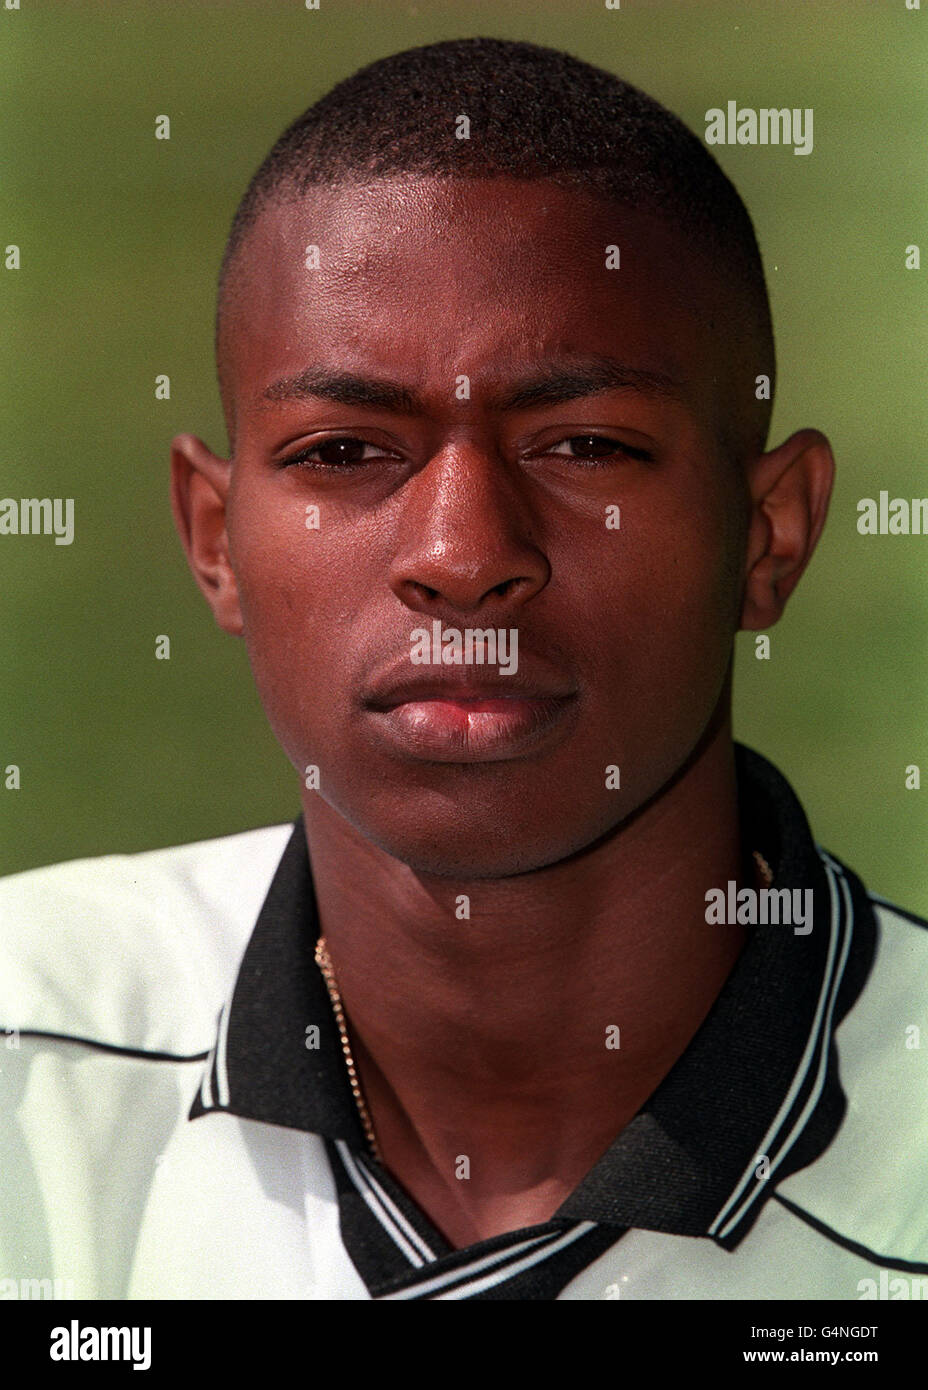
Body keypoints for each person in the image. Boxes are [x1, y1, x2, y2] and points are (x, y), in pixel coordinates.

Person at [1, 37, 925, 1303]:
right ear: (214, 539)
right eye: (342, 452)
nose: (461, 555)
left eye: (584, 443)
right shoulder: (29, 1058)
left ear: (766, 534)